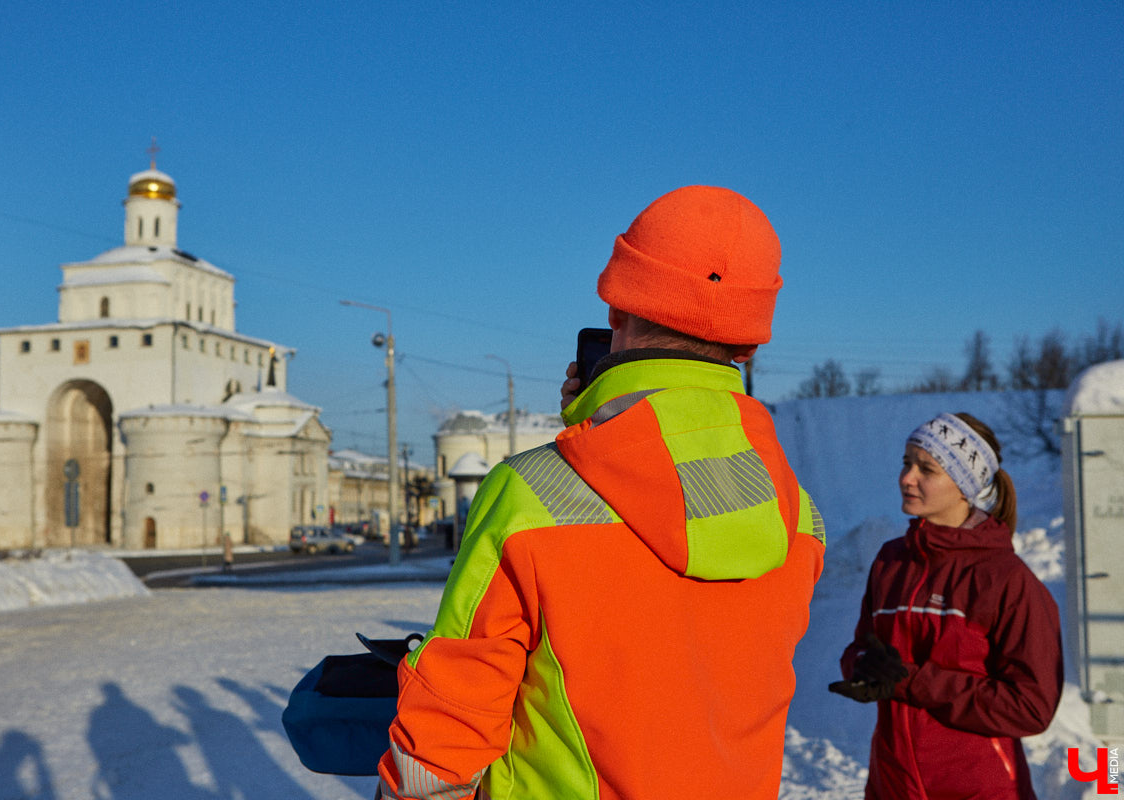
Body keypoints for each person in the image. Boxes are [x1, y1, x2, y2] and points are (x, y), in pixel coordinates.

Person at [376, 186, 826, 799]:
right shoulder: (797, 516)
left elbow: (446, 735)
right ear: (748, 346)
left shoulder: (530, 496)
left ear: (616, 311)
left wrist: (602, 424)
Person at [831, 412, 1062, 799]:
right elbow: (862, 647)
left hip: (978, 788)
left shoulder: (1005, 578)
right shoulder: (891, 562)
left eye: (926, 469)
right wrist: (863, 667)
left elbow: (1030, 707)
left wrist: (912, 681)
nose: (907, 478)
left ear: (963, 486)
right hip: (892, 783)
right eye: (906, 463)